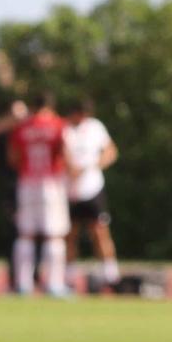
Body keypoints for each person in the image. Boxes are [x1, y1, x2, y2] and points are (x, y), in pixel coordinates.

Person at [7, 93, 71, 297]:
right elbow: (66, 153)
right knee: (54, 235)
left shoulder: (22, 127)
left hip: (27, 182)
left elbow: (13, 157)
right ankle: (54, 284)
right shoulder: (59, 125)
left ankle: (23, 284)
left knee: (25, 234)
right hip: (51, 182)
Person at [62, 97, 120, 291]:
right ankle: (68, 277)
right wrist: (70, 169)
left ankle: (111, 275)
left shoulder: (95, 127)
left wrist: (93, 166)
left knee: (100, 231)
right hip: (69, 190)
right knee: (70, 234)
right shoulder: (63, 129)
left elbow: (110, 151)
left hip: (92, 189)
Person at [0, 99, 27, 292]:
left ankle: (34, 276)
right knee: (15, 232)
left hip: (34, 186)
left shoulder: (30, 132)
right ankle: (15, 279)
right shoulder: (4, 133)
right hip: (12, 188)